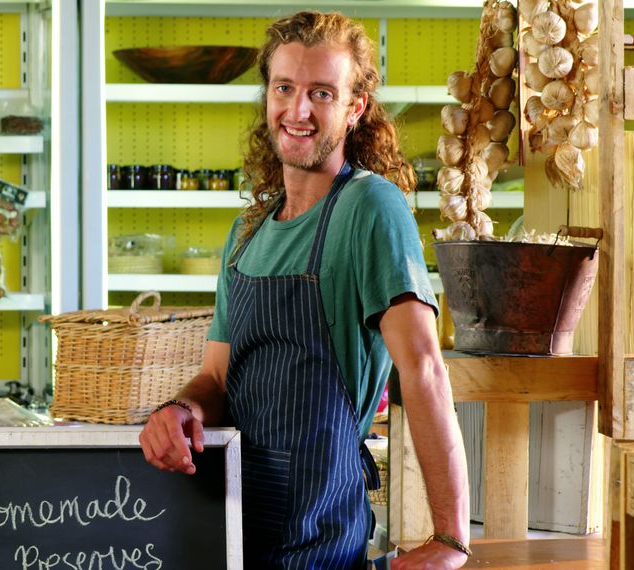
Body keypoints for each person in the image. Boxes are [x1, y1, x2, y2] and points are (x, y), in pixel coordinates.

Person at [139, 12, 470, 569]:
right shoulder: (248, 232)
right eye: (284, 88)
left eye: (322, 93)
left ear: (354, 108)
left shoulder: (369, 207)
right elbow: (218, 376)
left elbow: (424, 368)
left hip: (320, 537)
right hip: (232, 530)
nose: (298, 111)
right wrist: (181, 408)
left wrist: (451, 538)